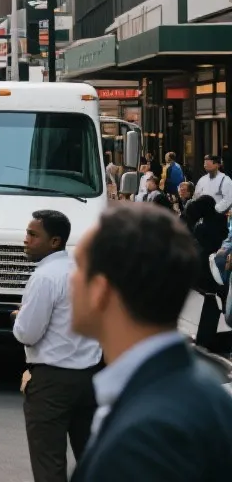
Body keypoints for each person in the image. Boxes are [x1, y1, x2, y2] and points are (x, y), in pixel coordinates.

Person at [68, 205, 232, 481]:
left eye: (78, 268)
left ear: (100, 291)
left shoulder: (142, 439)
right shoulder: (199, 387)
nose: (70, 280)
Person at [12, 211, 102, 482]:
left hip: (51, 381)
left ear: (54, 242)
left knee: (49, 462)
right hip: (90, 377)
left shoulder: (45, 277)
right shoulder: (82, 272)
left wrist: (20, 318)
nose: (25, 240)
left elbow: (27, 333)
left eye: (33, 235)